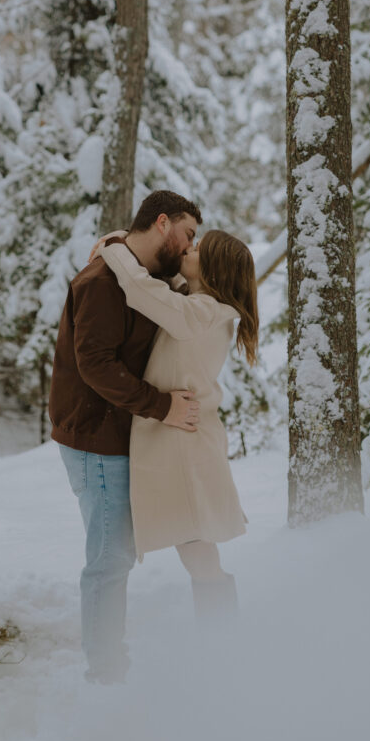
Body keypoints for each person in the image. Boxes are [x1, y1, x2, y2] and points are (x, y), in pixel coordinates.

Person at [49, 190, 203, 684]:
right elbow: (96, 364)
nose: (188, 247)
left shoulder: (141, 277)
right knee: (110, 559)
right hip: (96, 438)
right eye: (188, 235)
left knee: (115, 554)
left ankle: (107, 666)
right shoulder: (101, 282)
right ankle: (105, 674)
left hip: (115, 434)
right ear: (162, 223)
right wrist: (163, 407)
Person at [96, 228, 259, 621]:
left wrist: (113, 248)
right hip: (184, 438)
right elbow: (162, 289)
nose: (190, 247)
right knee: (194, 545)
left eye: (199, 248)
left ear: (215, 269)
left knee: (196, 546)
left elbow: (141, 291)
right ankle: (219, 631)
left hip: (185, 445)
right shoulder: (198, 305)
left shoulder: (203, 314)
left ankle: (220, 634)